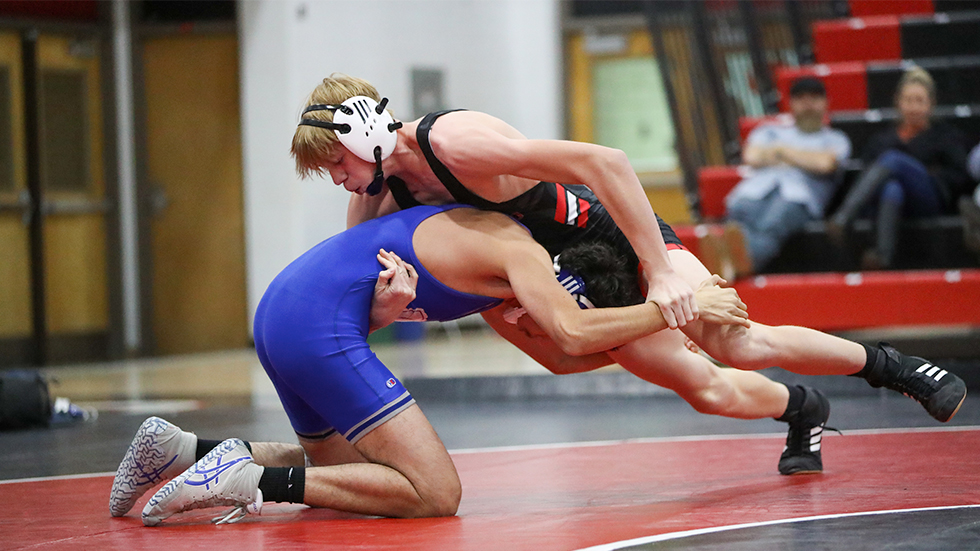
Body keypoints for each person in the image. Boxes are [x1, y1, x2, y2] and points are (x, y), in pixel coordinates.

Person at [290, 75, 967, 476]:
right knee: (694, 385)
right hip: (546, 270)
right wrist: (391, 308)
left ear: (367, 136)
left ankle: (895, 367)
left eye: (336, 162)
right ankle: (803, 409)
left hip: (604, 231)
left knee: (733, 340)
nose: (337, 178)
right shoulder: (374, 198)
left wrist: (660, 267)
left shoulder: (455, 141)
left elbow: (606, 162)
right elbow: (360, 301)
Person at [115, 204, 749, 525]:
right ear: (559, 274)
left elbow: (562, 352)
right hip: (318, 328)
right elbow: (573, 328)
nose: (533, 315)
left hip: (284, 310)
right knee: (434, 494)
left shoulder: (502, 277)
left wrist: (624, 345)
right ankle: (244, 481)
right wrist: (673, 311)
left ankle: (184, 449)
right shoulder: (520, 255)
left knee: (357, 478)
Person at [829, 67, 973, 269]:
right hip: (887, 205)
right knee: (893, 188)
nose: (914, 107)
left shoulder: (946, 136)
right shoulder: (881, 139)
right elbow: (865, 173)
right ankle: (882, 256)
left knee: (893, 160)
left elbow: (959, 175)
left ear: (931, 104)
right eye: (909, 100)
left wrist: (929, 175)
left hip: (928, 200)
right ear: (898, 102)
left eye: (919, 100)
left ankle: (843, 218)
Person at [714, 76, 851, 275]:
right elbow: (752, 156)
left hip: (798, 199)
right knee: (739, 210)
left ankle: (733, 268)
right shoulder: (769, 130)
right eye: (801, 98)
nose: (808, 104)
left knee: (773, 221)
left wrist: (780, 152)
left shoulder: (837, 139)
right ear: (790, 103)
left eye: (814, 98)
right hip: (755, 192)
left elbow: (824, 163)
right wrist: (803, 158)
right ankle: (729, 265)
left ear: (826, 103)